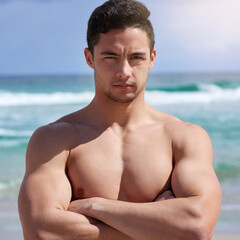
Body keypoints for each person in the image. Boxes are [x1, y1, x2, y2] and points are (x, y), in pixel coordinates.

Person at [18, 0, 222, 239]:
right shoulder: (56, 140)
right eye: (110, 57)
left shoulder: (183, 138)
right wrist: (159, 225)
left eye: (136, 57)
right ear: (89, 58)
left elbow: (196, 227)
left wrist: (95, 207)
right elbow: (41, 231)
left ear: (152, 58)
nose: (124, 71)